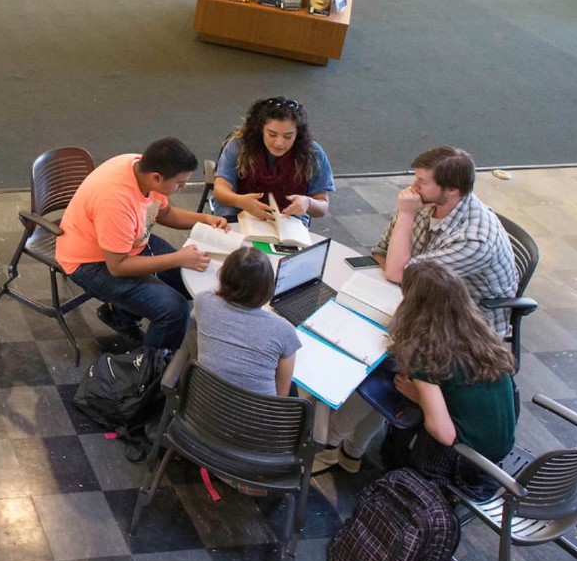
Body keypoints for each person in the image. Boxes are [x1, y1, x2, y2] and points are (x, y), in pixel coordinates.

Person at [313, 261, 517, 501]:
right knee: (395, 382)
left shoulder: (429, 355)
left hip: (468, 460)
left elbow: (443, 434)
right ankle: (352, 452)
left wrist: (420, 398)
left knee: (384, 383)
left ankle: (329, 445)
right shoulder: (479, 333)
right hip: (500, 443)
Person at [55, 138, 230, 356]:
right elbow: (118, 267)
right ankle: (151, 372)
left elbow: (163, 213)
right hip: (91, 262)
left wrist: (203, 219)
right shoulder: (115, 201)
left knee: (187, 279)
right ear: (157, 177)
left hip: (130, 244)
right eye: (180, 183)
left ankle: (120, 314)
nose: (183, 188)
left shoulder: (140, 168)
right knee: (174, 311)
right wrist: (178, 258)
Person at [372, 146, 518, 335]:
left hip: (463, 325)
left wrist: (406, 214)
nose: (413, 187)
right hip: (422, 298)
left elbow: (396, 273)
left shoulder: (474, 241)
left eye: (422, 181)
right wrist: (398, 275)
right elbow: (382, 252)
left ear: (452, 189)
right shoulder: (424, 201)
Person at [195, 246, 300, 396]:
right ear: (268, 287)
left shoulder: (203, 301)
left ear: (222, 275)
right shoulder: (284, 330)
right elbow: (281, 397)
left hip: (203, 408)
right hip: (258, 418)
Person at [212, 97, 334, 225]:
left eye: (288, 136)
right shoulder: (238, 146)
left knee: (288, 244)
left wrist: (308, 203)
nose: (279, 143)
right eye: (272, 134)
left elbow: (322, 206)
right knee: (234, 239)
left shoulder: (313, 153)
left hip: (288, 216)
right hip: (240, 209)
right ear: (261, 129)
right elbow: (220, 190)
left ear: (298, 133)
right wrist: (240, 201)